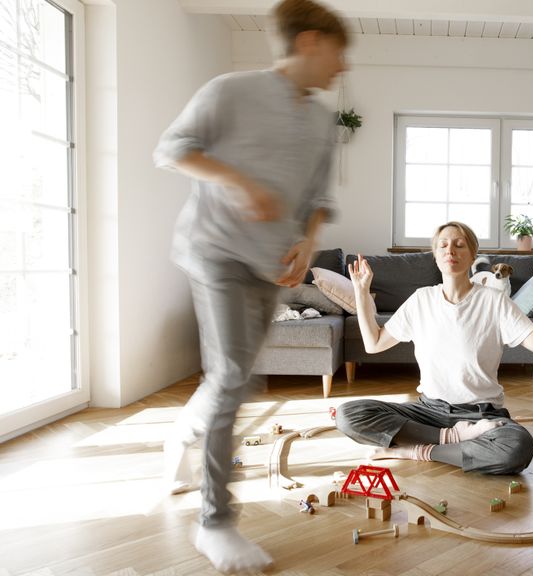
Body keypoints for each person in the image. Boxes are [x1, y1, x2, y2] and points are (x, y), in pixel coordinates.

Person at [152, 0, 348, 571]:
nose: (343, 68)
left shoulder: (321, 121)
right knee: (237, 376)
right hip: (214, 251)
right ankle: (215, 523)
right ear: (310, 42)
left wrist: (309, 242)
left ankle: (182, 432)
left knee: (231, 378)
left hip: (272, 266)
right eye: (339, 53)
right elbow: (171, 149)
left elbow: (319, 200)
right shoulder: (229, 90)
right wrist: (236, 183)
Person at [336, 222, 533, 474]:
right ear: (435, 256)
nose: (451, 250)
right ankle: (449, 439)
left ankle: (418, 450)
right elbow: (374, 344)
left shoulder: (494, 301)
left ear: (472, 256)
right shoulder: (421, 299)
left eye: (459, 245)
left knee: (517, 447)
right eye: (443, 245)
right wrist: (361, 292)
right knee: (349, 414)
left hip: (481, 416)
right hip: (428, 411)